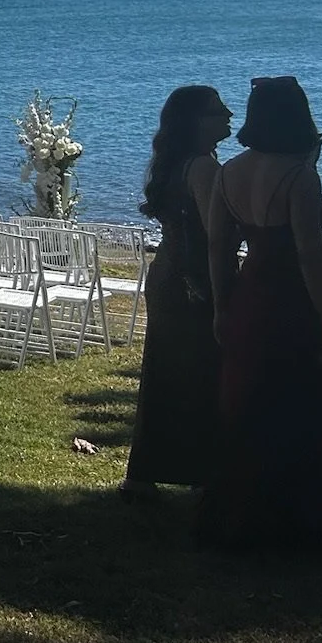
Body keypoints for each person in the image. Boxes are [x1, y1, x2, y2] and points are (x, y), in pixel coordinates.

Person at [201, 76, 322, 553]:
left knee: (247, 401)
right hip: (291, 298)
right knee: (295, 399)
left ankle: (238, 511)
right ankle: (292, 519)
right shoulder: (299, 176)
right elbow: (310, 254)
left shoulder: (230, 172)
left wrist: (223, 305)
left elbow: (220, 246)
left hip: (249, 294)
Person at [121, 86, 232, 499]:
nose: (229, 114)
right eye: (218, 110)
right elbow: (216, 235)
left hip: (167, 272)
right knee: (202, 372)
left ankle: (146, 472)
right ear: (196, 121)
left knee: (165, 372)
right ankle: (201, 472)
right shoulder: (203, 167)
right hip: (193, 278)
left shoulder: (175, 163)